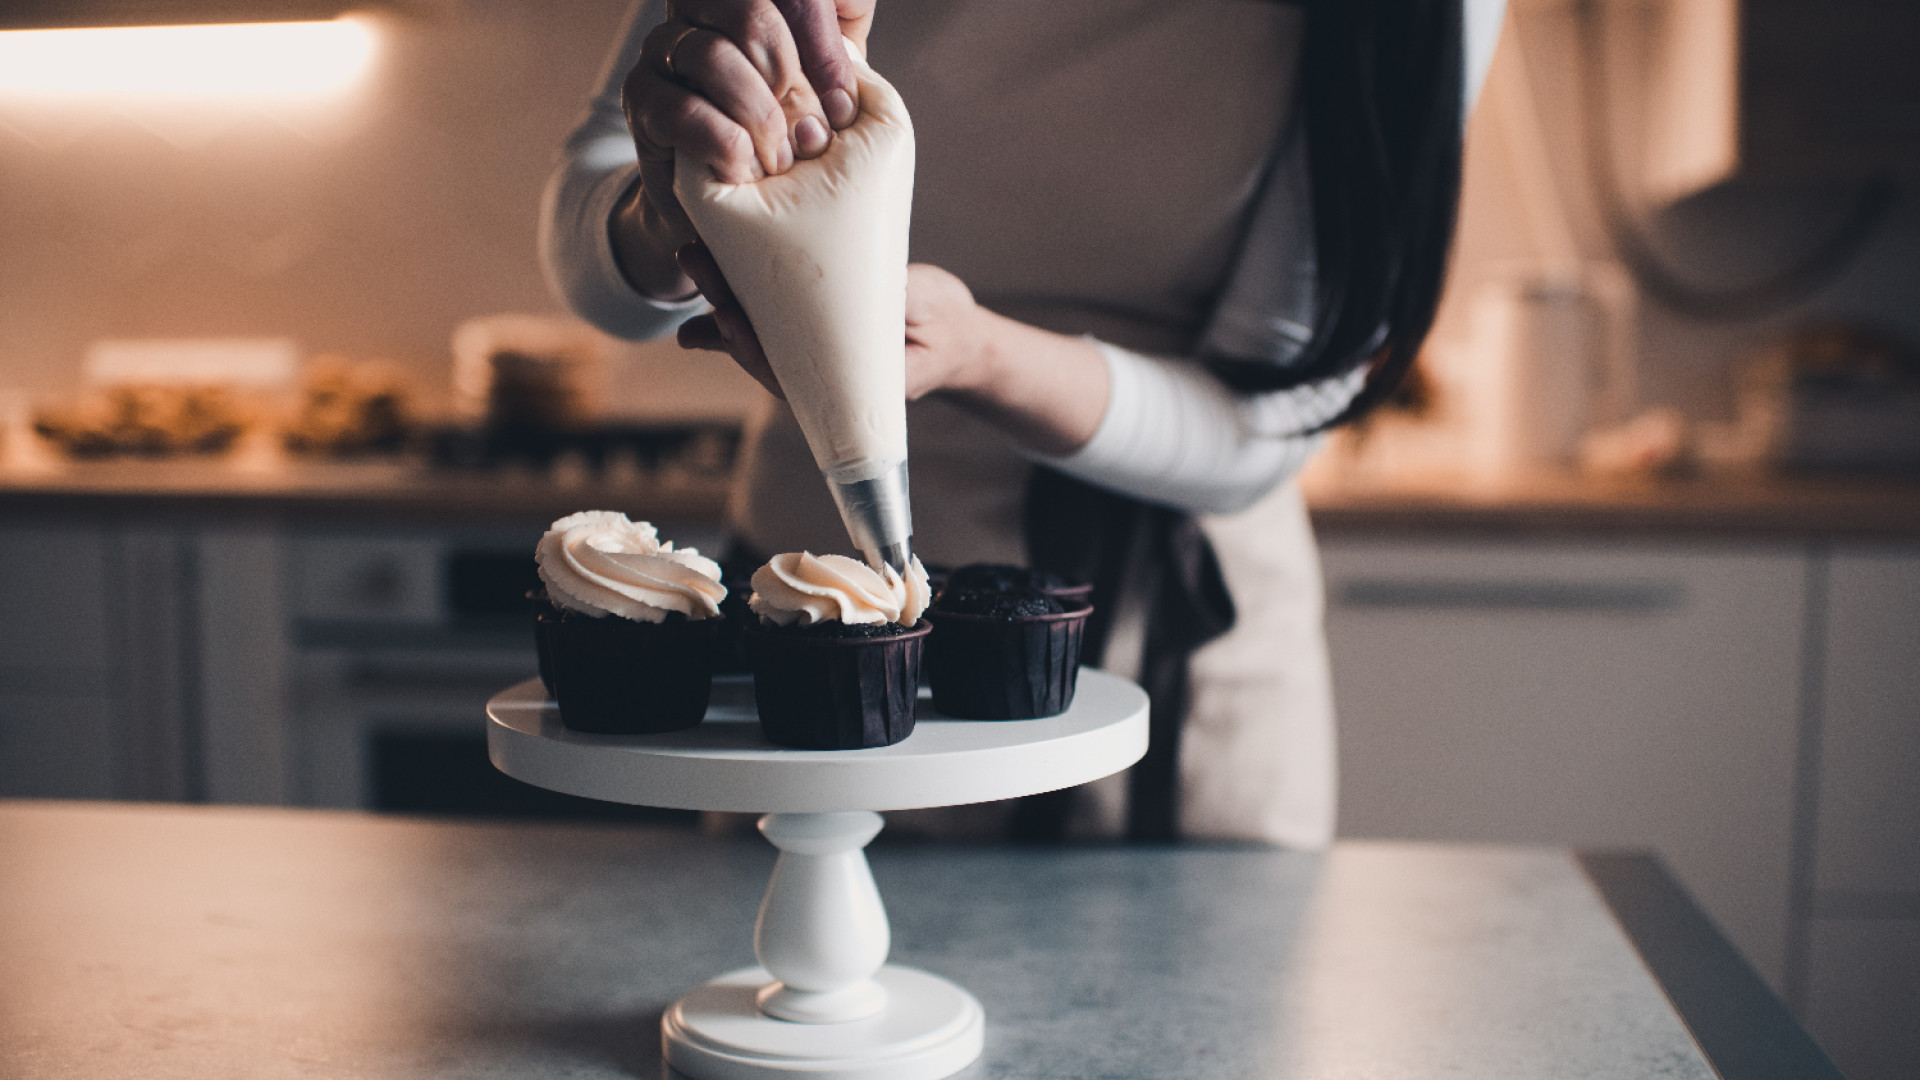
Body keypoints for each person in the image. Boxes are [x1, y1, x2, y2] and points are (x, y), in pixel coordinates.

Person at [541, 0, 1505, 848]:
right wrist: (675, 212)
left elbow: (1261, 425)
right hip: (818, 635)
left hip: (1171, 667)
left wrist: (980, 354)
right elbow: (603, 243)